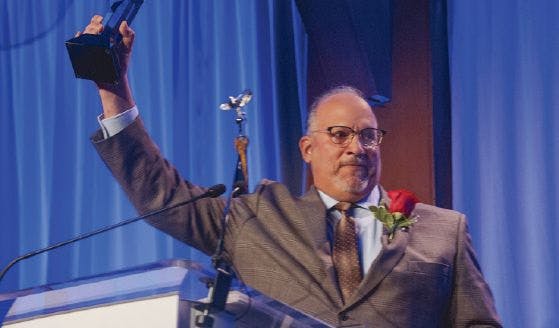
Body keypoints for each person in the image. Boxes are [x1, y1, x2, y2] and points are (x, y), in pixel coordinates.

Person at [83, 16, 502, 327]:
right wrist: (113, 90)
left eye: (369, 136)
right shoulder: (253, 220)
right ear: (308, 148)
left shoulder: (444, 232)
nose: (357, 147)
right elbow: (163, 197)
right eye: (339, 134)